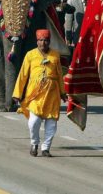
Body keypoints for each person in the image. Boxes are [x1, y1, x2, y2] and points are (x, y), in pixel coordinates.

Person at [12, 29, 67, 157]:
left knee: (51, 123)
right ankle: (34, 143)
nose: (43, 43)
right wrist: (17, 94)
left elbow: (59, 75)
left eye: (46, 40)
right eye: (41, 40)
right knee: (34, 122)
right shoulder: (30, 55)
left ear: (49, 41)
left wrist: (63, 92)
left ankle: (46, 148)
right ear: (37, 41)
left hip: (52, 95)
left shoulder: (55, 55)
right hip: (35, 95)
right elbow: (23, 75)